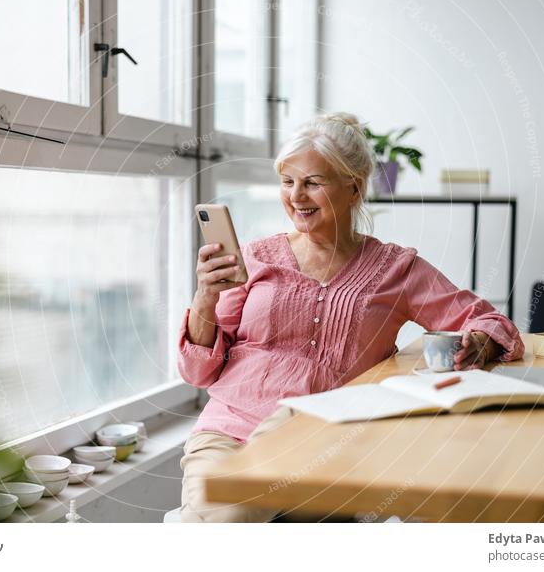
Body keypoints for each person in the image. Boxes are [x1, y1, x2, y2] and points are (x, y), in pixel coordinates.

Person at [176, 112, 525, 523]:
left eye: (313, 183)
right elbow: (199, 373)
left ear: (353, 188)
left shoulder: (397, 269)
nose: (296, 196)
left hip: (324, 435)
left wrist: (480, 341)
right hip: (227, 431)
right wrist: (205, 299)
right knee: (214, 521)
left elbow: (485, 318)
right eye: (287, 182)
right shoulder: (254, 257)